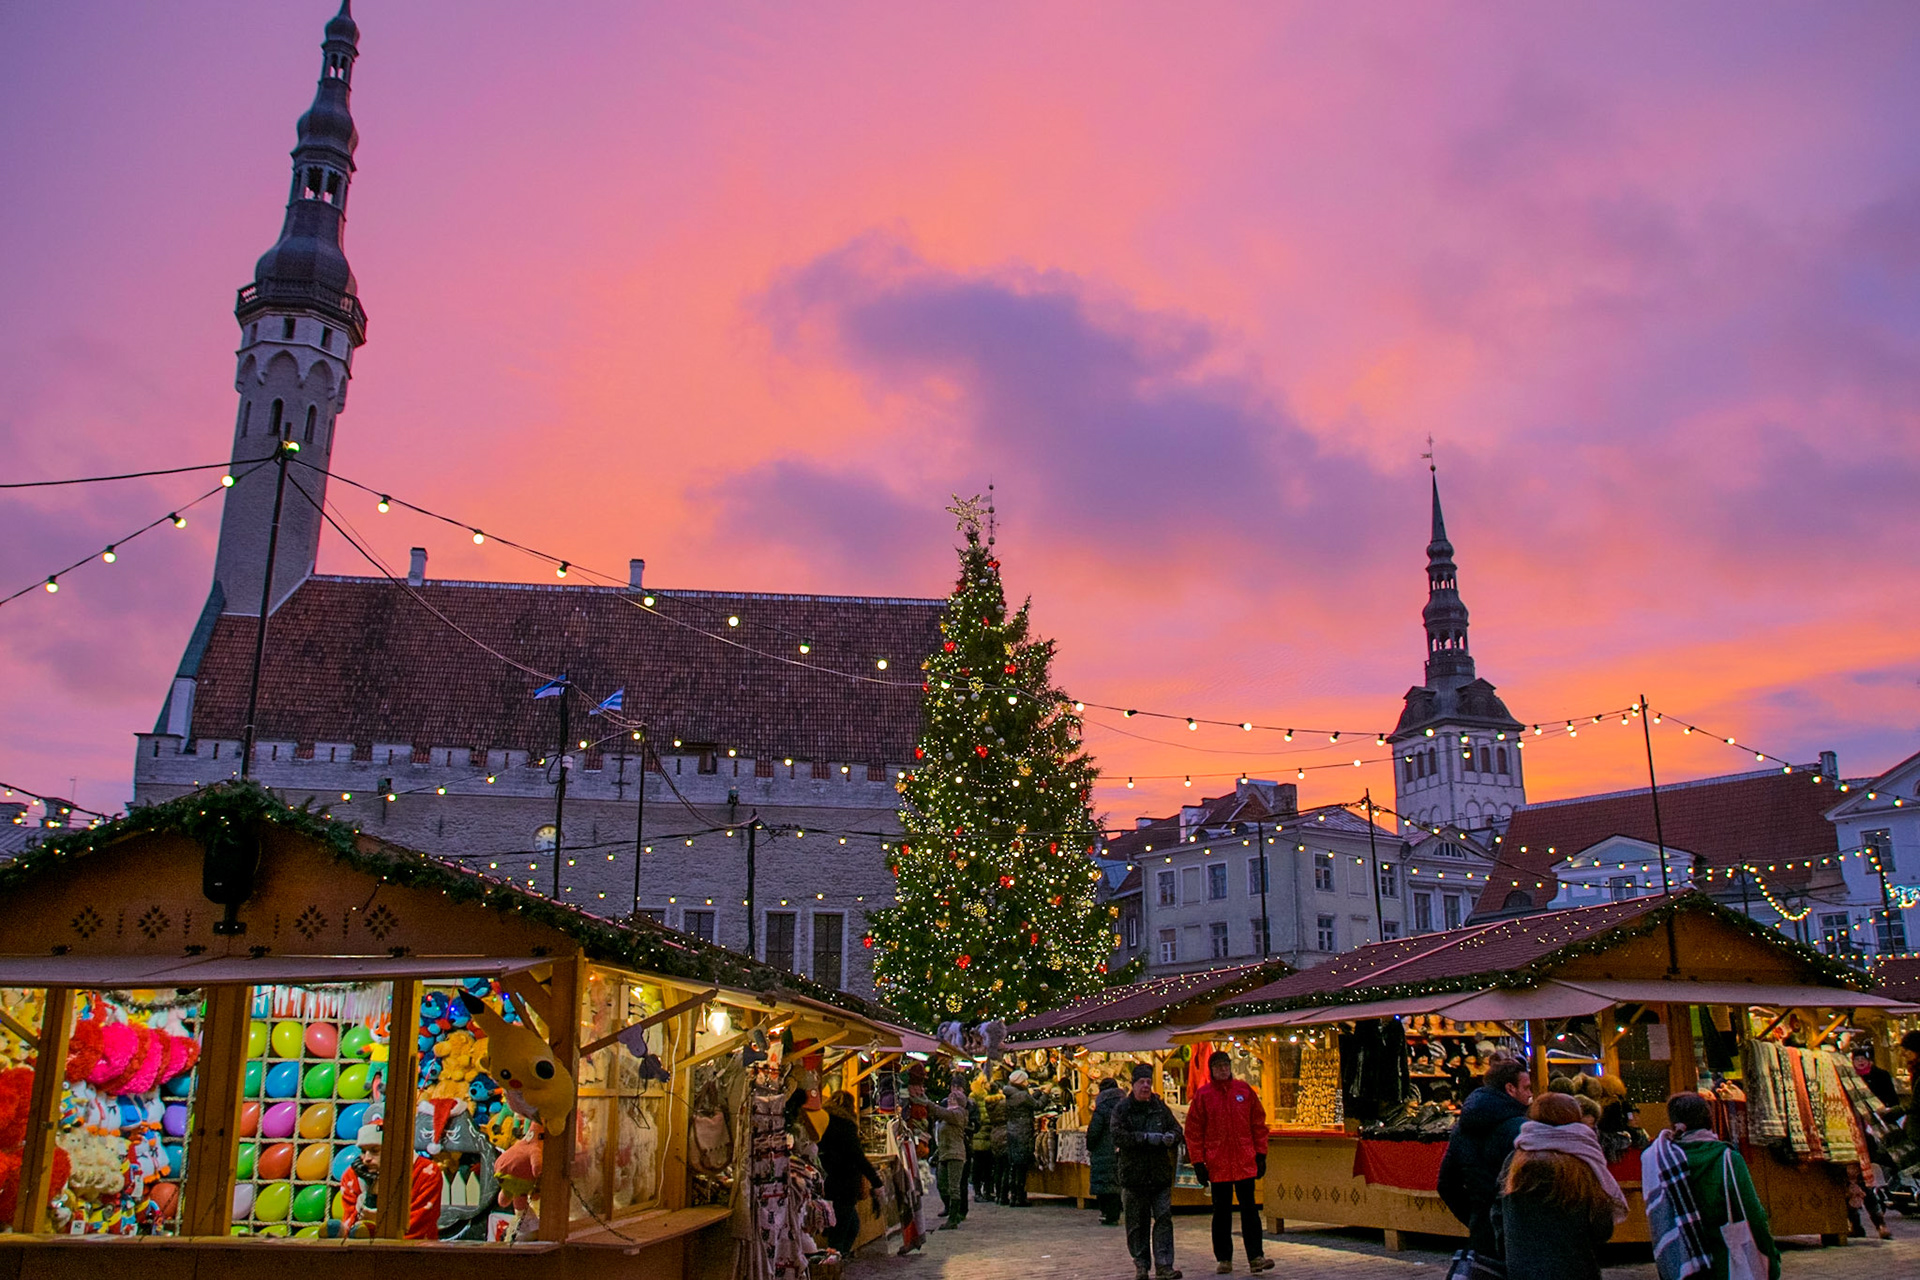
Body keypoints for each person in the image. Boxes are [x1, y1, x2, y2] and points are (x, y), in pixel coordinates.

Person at [1642, 1092, 1779, 1280]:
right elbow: (1753, 1214)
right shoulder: (1728, 1158)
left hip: (1684, 1265)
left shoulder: (1660, 1161)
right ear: (1708, 1118)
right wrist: (1770, 1257)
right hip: (1727, 1263)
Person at [1495, 1093, 1627, 1280]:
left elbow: (1497, 1211)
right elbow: (1601, 1227)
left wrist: (1509, 1248)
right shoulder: (1584, 1161)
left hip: (1523, 1268)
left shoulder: (1516, 1160)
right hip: (1575, 1268)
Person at [1184, 1049, 1272, 1274]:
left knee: (1249, 1211)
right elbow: (1194, 1132)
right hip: (1218, 1163)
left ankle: (1256, 1256)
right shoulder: (1203, 1096)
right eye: (1218, 1066)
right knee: (1221, 1213)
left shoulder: (1244, 1091)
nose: (1223, 1069)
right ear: (1212, 1070)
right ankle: (1224, 1258)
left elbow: (1258, 1124)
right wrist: (1198, 1162)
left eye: (1226, 1065)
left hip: (1244, 1160)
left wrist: (1260, 1154)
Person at [1437, 1057, 1532, 1258]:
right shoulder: (1521, 1128)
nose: (1531, 1094)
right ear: (1510, 1088)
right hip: (1519, 1228)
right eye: (1527, 1088)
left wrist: (1475, 1215)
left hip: (1482, 1228)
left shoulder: (1461, 1128)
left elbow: (1446, 1184)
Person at [1112, 1062, 1183, 1280]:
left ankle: (1164, 1264)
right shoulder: (1123, 1109)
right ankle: (1141, 1264)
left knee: (1163, 1219)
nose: (1145, 1086)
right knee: (1137, 1223)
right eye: (1141, 1082)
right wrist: (1144, 1138)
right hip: (1134, 1175)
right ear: (1133, 1085)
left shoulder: (1159, 1107)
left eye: (1148, 1082)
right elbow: (1118, 1136)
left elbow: (1177, 1129)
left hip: (1159, 1174)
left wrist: (1172, 1137)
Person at [813, 1089, 884, 1257]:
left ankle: (837, 1259)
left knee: (850, 1225)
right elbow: (857, 1156)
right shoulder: (845, 1125)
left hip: (828, 1181)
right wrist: (876, 1181)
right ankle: (834, 1263)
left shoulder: (824, 1122)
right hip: (843, 1184)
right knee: (843, 1227)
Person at [929, 1078, 971, 1229]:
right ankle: (950, 1210)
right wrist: (936, 1155)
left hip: (955, 1155)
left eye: (954, 1098)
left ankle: (953, 1219)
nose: (950, 1099)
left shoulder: (958, 1114)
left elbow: (939, 1111)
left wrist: (925, 1101)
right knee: (941, 1185)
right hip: (945, 1154)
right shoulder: (947, 1117)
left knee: (954, 1187)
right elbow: (944, 1139)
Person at [1086, 1075, 1125, 1226]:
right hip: (1120, 1149)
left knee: (1103, 1183)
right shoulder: (1125, 1105)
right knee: (1117, 1182)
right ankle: (1114, 1213)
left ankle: (1106, 1213)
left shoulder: (1101, 1108)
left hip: (1103, 1150)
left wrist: (1090, 1145)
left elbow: (1094, 1131)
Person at [1002, 1070, 1038, 1207]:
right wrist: (1045, 1094)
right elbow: (1037, 1104)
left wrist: (1036, 1094)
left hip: (1012, 1131)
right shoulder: (1023, 1095)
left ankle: (1014, 1197)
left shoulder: (1010, 1093)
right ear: (1021, 1081)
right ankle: (1020, 1197)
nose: (1027, 1083)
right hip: (1023, 1132)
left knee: (1014, 1166)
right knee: (1021, 1166)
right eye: (1025, 1080)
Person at [967, 1075, 997, 1200]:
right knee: (981, 1165)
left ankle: (984, 1191)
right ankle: (980, 1191)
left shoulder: (980, 1096)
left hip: (983, 1136)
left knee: (985, 1165)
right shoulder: (977, 1097)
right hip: (980, 1136)